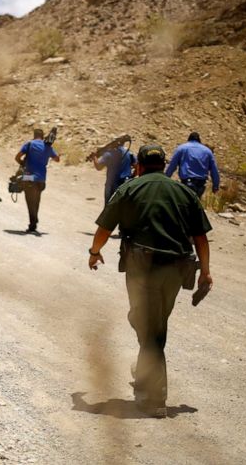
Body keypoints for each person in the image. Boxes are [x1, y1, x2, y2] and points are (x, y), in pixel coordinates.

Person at [87, 144, 213, 417]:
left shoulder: (130, 188)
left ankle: (155, 399)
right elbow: (201, 237)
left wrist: (94, 252)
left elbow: (105, 228)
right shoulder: (184, 192)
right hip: (177, 268)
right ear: (165, 164)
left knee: (150, 329)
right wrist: (205, 271)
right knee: (154, 325)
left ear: (139, 166)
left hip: (142, 267)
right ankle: (145, 374)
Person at [14, 128, 60, 233]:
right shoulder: (48, 146)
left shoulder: (29, 144)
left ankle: (33, 223)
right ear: (43, 136)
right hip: (41, 179)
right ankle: (34, 220)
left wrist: (22, 164)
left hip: (29, 178)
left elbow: (17, 157)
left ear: (34, 135)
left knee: (29, 200)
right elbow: (57, 159)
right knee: (36, 200)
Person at [165, 132, 220, 198]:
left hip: (187, 183)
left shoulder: (182, 148)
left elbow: (172, 166)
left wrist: (165, 179)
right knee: (196, 204)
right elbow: (214, 170)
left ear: (189, 139)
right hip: (201, 184)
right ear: (199, 140)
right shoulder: (207, 151)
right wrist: (215, 186)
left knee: (185, 204)